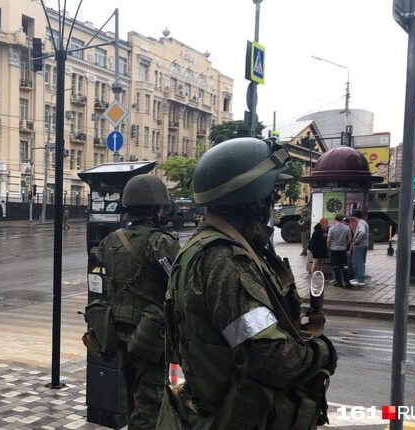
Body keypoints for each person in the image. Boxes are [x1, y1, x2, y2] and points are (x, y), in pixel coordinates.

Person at [158, 138, 337, 429]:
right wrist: (322, 353)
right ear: (255, 201)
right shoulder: (226, 261)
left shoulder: (206, 247)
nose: (271, 204)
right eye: (271, 194)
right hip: (229, 417)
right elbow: (269, 358)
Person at [96, 174, 180, 430]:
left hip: (120, 334)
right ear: (156, 209)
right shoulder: (161, 242)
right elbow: (180, 286)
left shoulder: (110, 241)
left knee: (133, 394)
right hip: (153, 339)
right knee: (153, 401)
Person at [327, 213, 353, 288]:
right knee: (344, 266)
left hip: (334, 249)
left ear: (335, 219)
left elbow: (328, 240)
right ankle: (347, 281)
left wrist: (328, 247)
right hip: (343, 249)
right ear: (342, 219)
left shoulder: (332, 228)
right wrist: (346, 244)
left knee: (336, 266)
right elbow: (350, 238)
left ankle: (339, 282)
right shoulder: (347, 228)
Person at [350, 210, 369, 286]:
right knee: (359, 263)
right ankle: (357, 278)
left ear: (355, 216)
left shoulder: (361, 223)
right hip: (362, 245)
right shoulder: (364, 222)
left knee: (358, 263)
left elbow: (362, 232)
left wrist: (356, 241)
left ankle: (360, 280)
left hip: (359, 246)